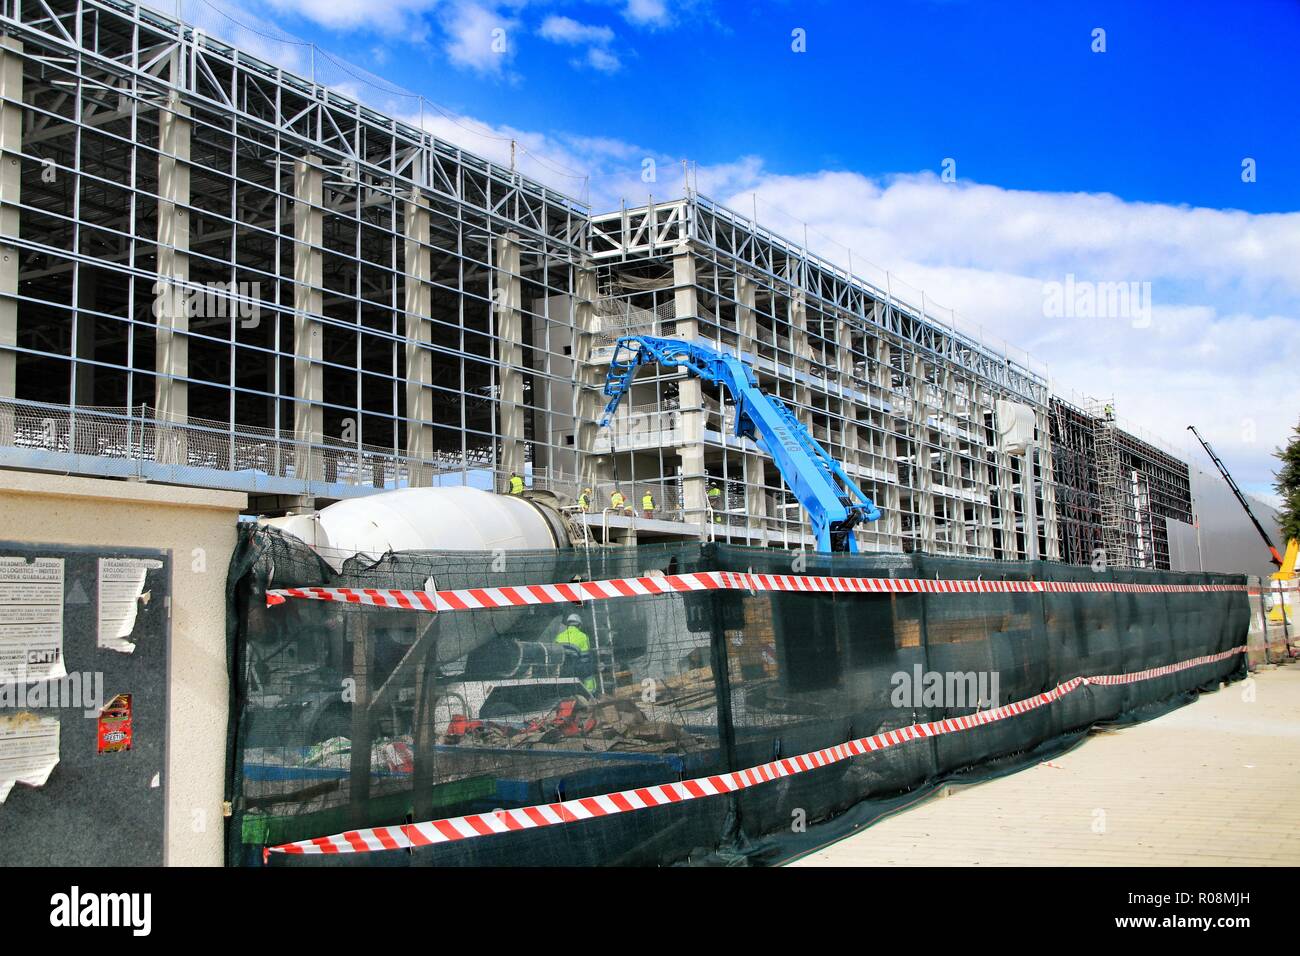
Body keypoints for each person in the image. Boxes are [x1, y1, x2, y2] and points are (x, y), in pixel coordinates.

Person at [554, 613, 596, 693]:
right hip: (573, 668)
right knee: (588, 667)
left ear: (568, 625)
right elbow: (585, 658)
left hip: (560, 670)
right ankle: (591, 692)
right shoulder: (583, 636)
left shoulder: (559, 636)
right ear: (579, 625)